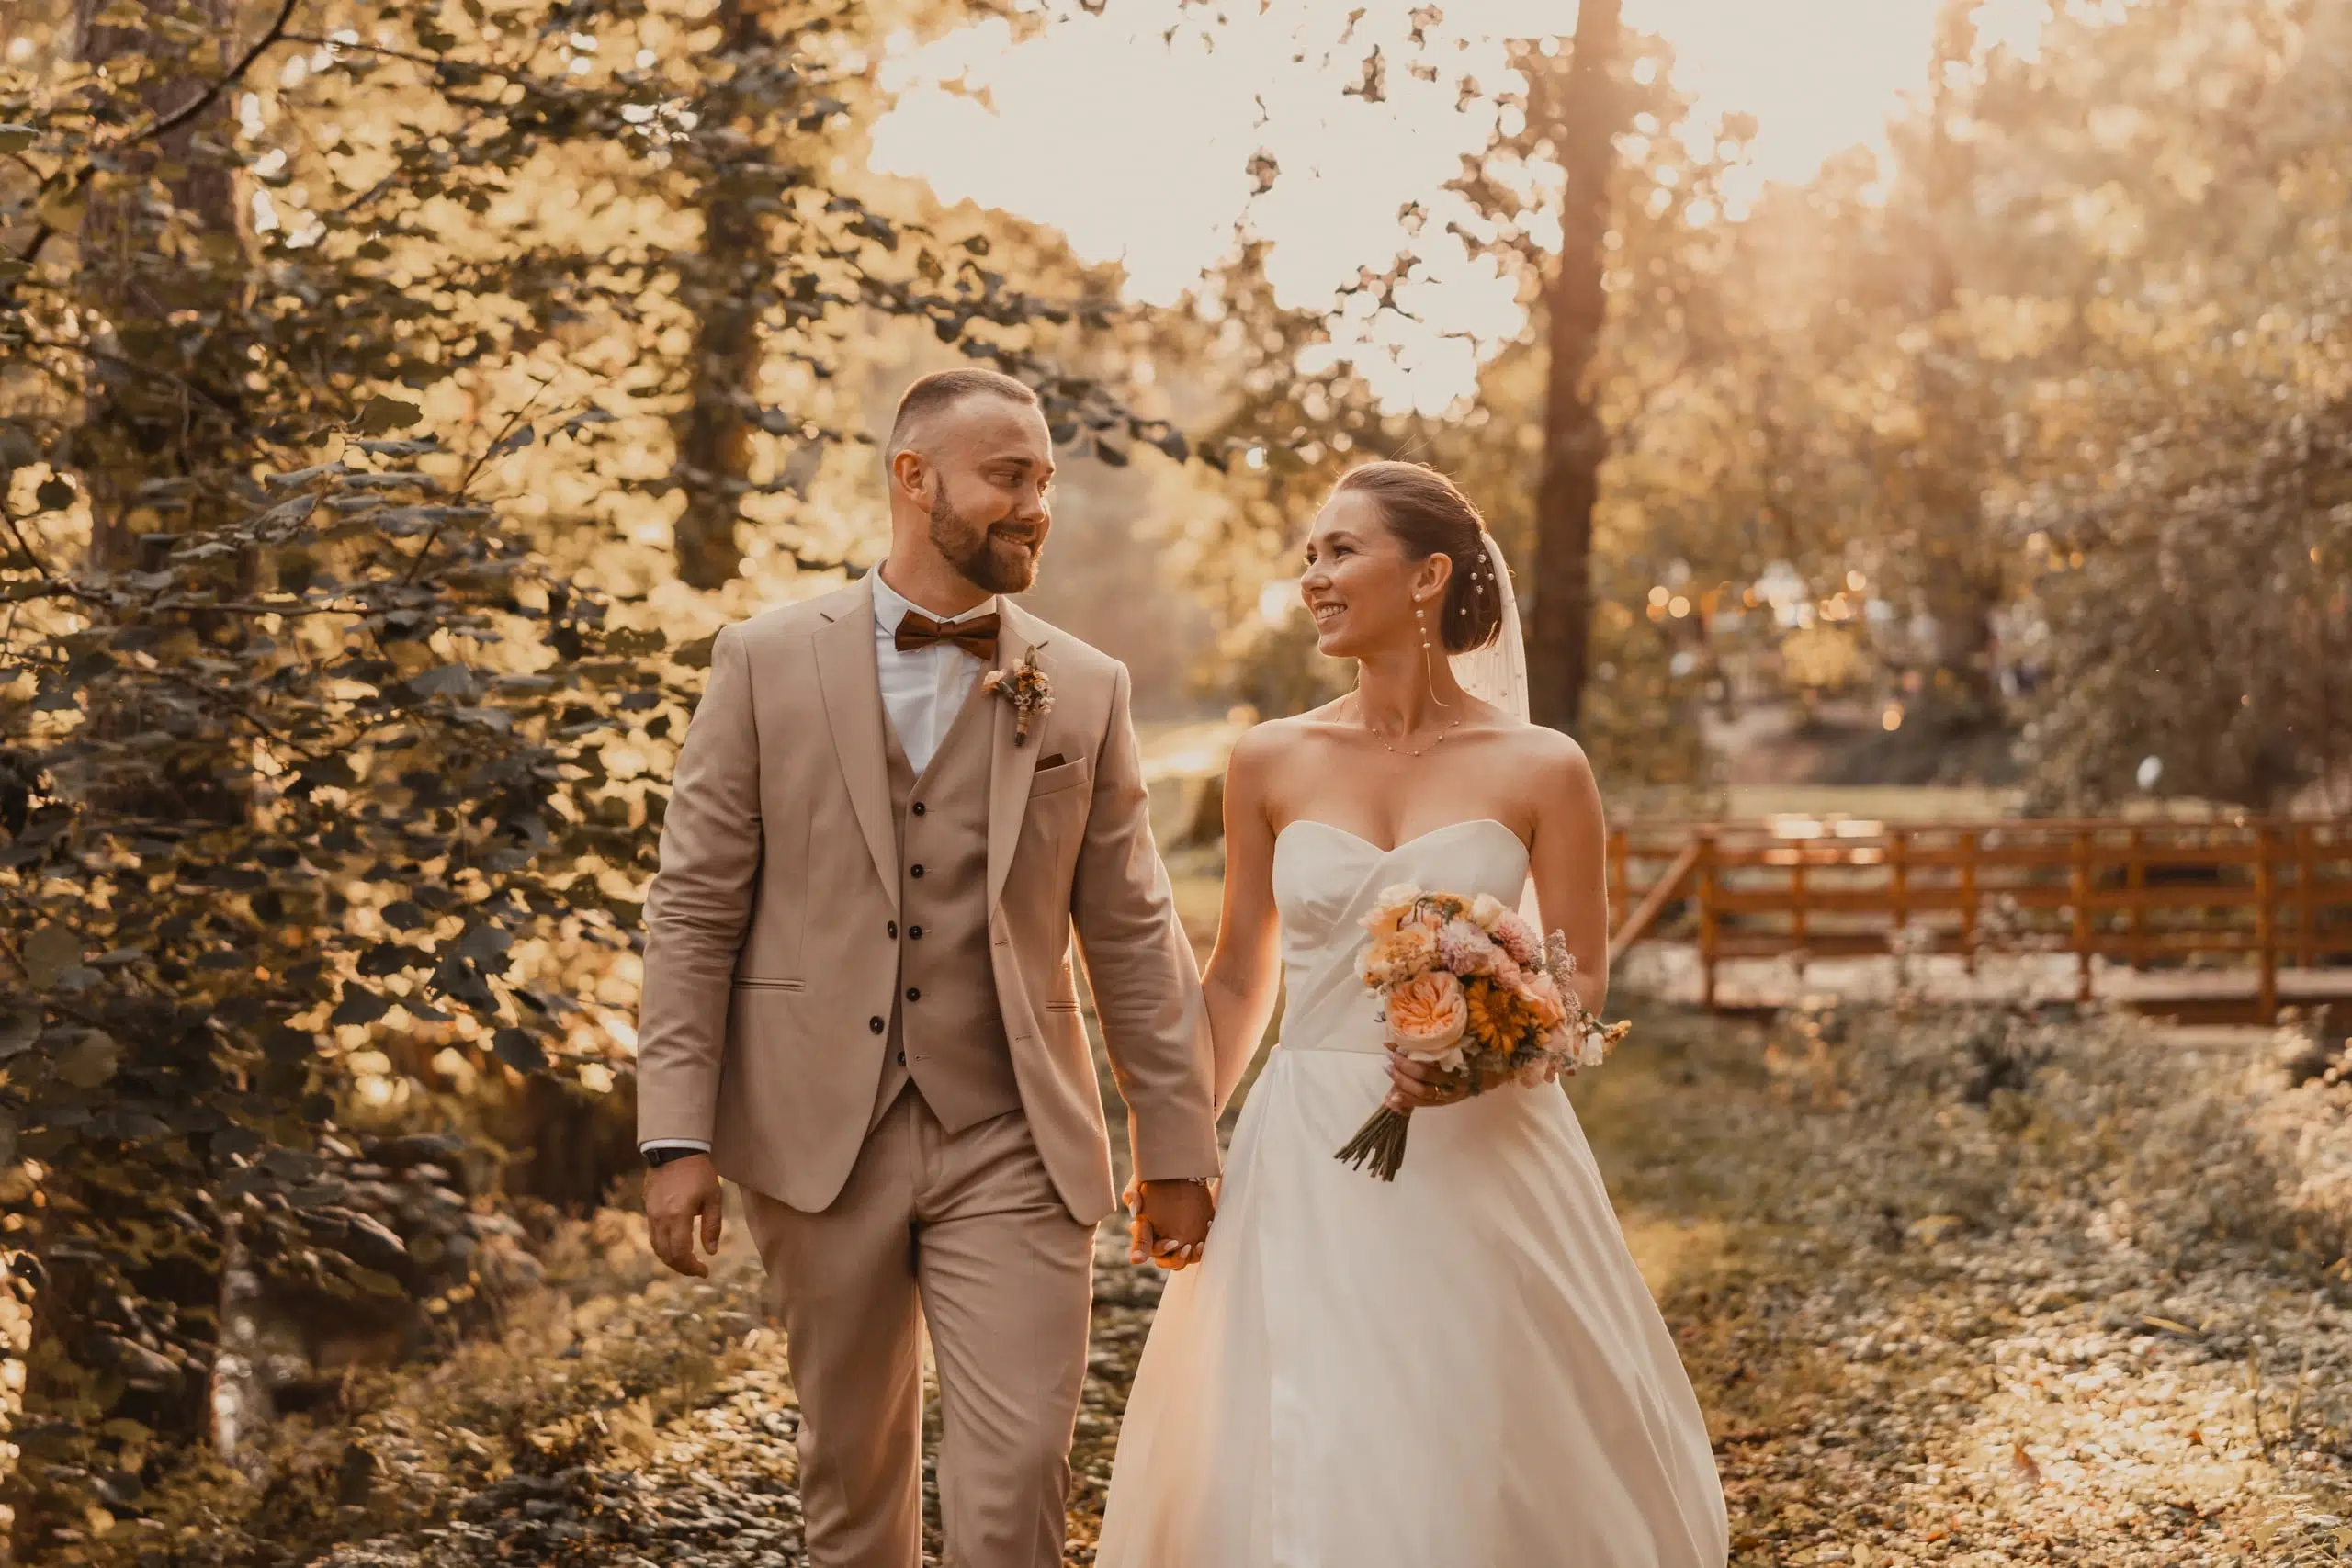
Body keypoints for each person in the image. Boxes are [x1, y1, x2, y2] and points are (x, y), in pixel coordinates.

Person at [635, 367, 1220, 1568]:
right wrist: (675, 1134)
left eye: (1045, 480)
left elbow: (1132, 928)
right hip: (812, 1137)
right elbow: (694, 908)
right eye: (1009, 475)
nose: (1035, 504)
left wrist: (1176, 1138)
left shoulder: (1087, 686)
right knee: (852, 1495)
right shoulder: (762, 660)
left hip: (1014, 1130)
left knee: (1013, 1496)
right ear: (915, 477)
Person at [1097, 461, 1729, 1566]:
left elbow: (1580, 986)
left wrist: (1485, 1049)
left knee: (1477, 1423)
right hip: (1304, 1152)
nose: (1313, 579)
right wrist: (1178, 1146)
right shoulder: (1268, 758)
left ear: (1429, 574)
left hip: (1483, 1145)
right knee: (1317, 1426)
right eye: (1309, 556)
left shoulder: (1544, 766)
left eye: (1341, 551)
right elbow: (1242, 977)